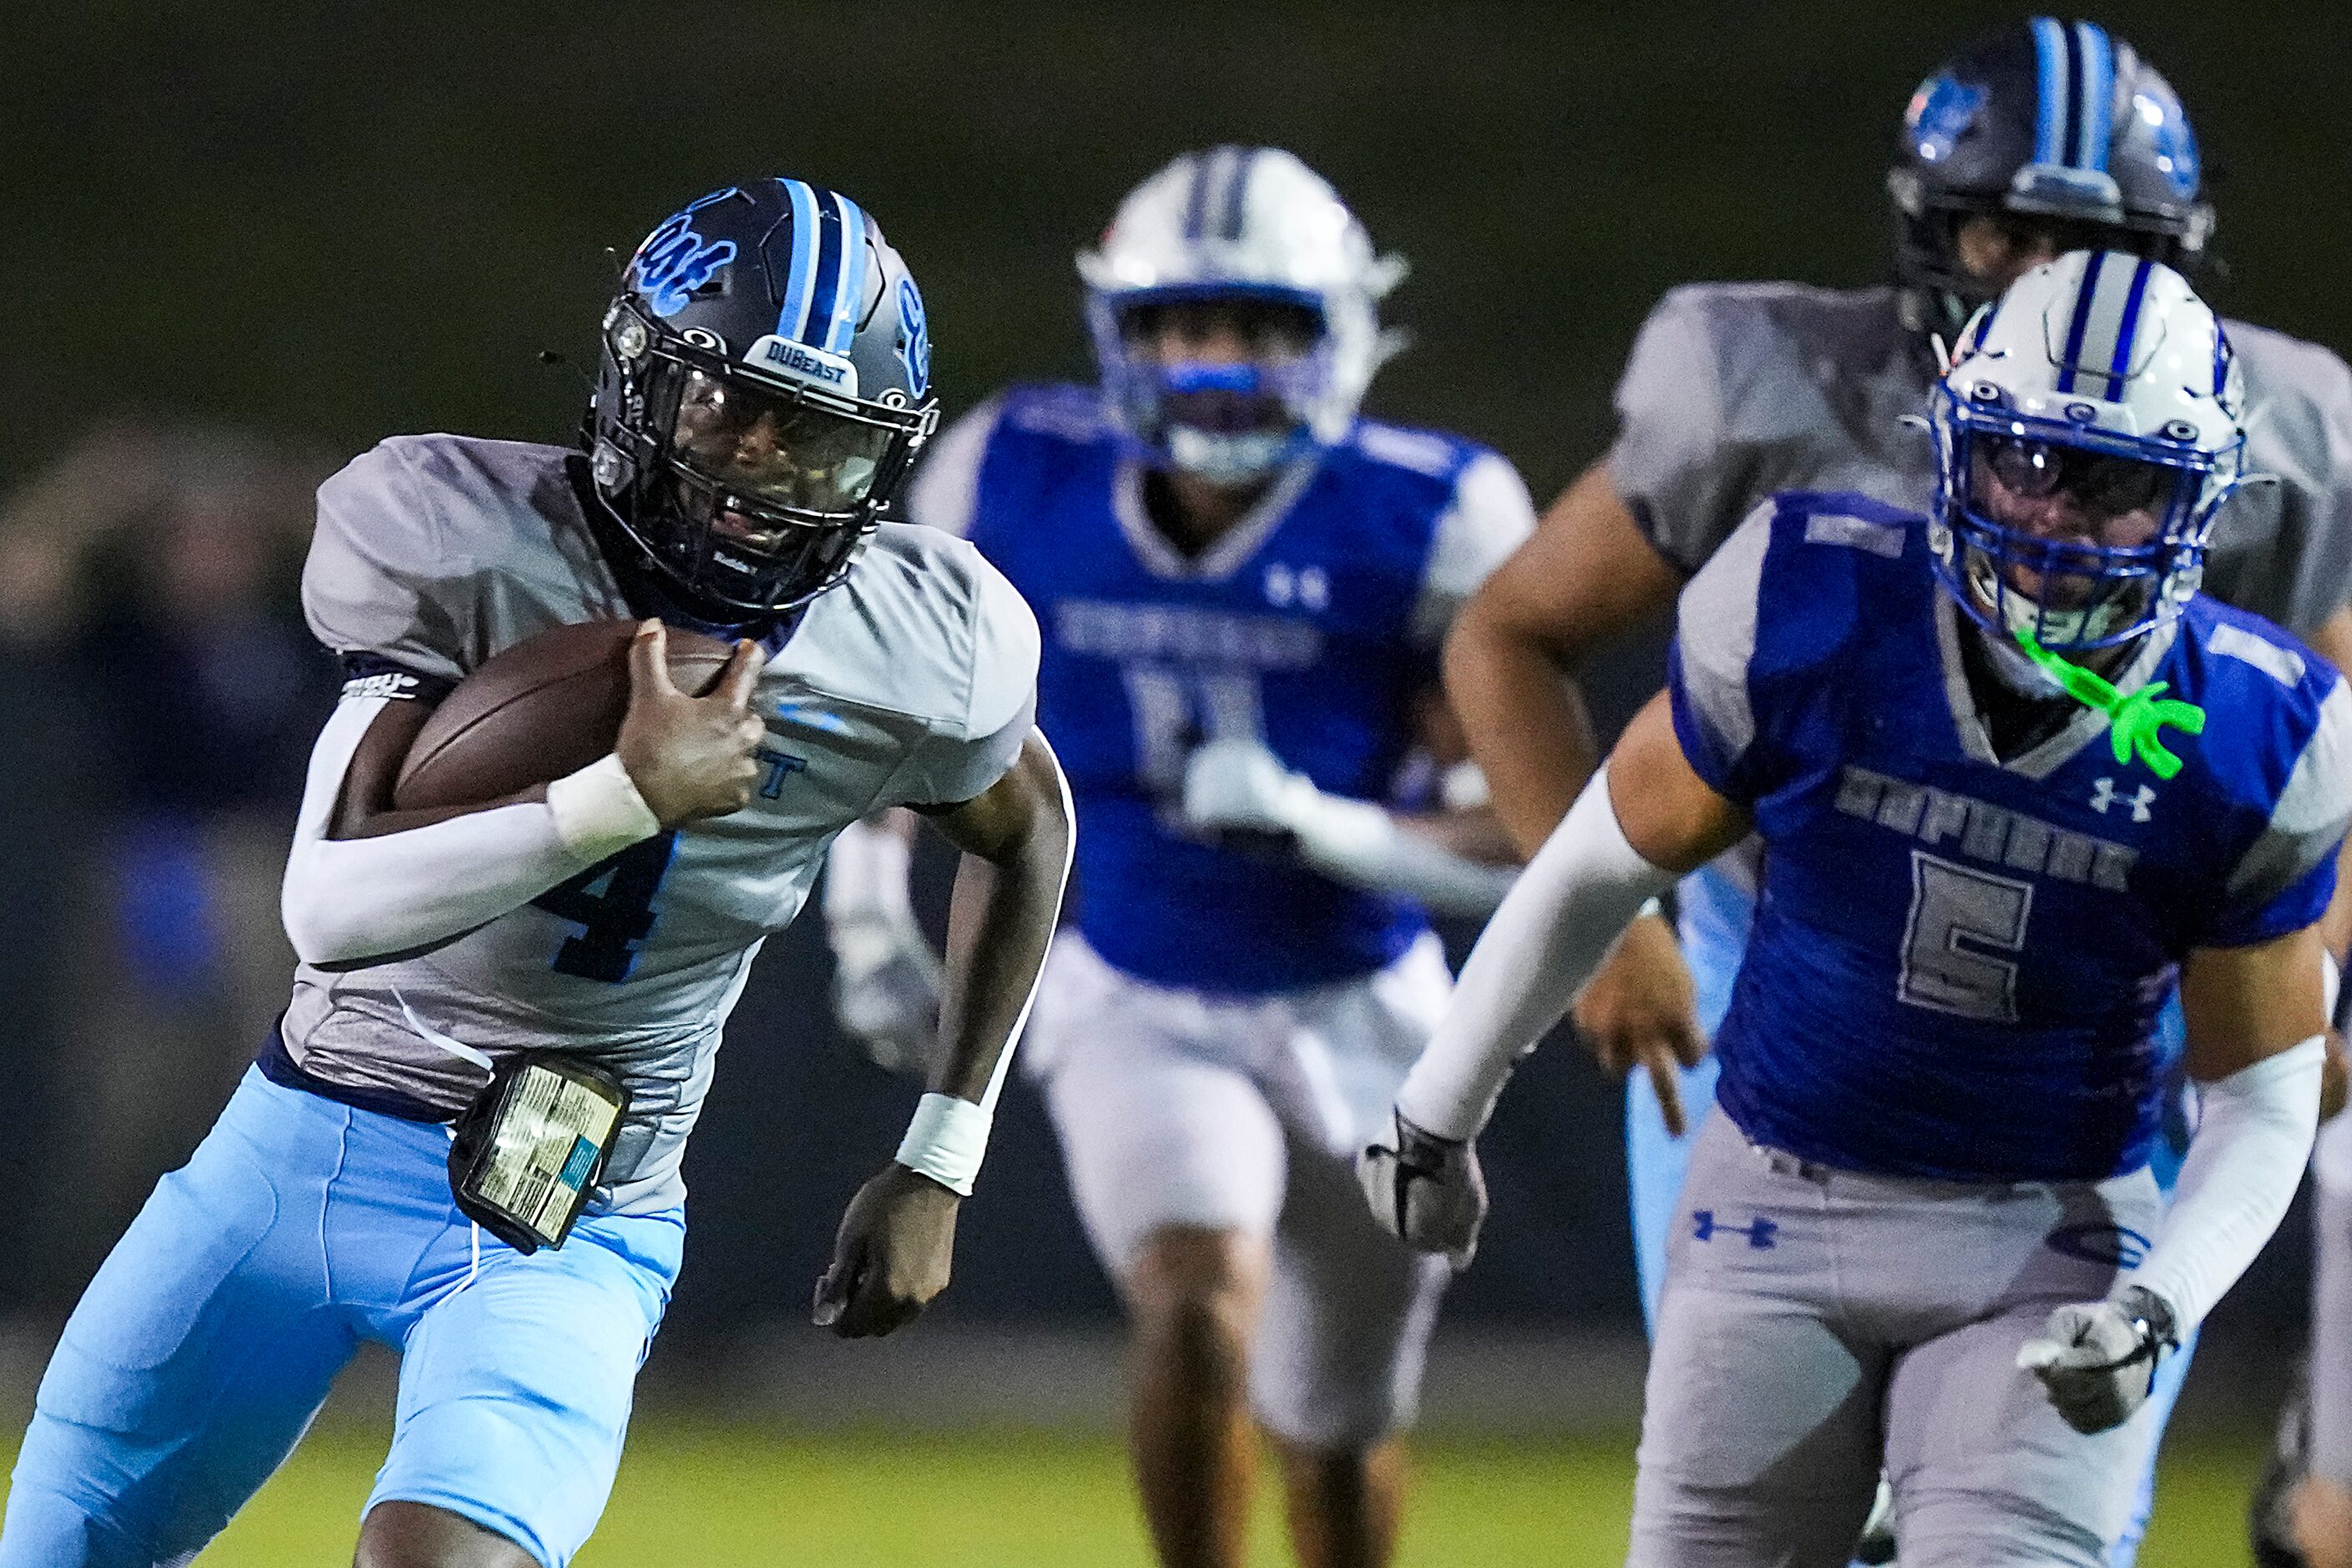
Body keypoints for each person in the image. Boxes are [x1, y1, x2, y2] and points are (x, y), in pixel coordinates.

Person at [0, 177, 1071, 1568]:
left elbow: (1029, 827)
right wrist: (620, 794)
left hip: (573, 1203)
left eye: (815, 442)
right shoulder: (469, 533)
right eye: (728, 407)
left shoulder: (920, 639)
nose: (758, 470)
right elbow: (326, 905)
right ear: (641, 382)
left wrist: (940, 1154)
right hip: (300, 1141)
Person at [1439, 18, 2352, 1560]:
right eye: (2008, 228)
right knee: (1774, 1477)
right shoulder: (1769, 384)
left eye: (2094, 241)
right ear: (1933, 229)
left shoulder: (2259, 428)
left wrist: (2314, 976)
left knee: (2028, 1486)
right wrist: (1609, 913)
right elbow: (1509, 629)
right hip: (1787, 966)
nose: (2041, 276)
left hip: (2085, 1008)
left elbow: (2326, 737)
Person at [823, 147, 1529, 1568]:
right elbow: (898, 710)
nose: (1214, 365)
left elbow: (1520, 838)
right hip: (1132, 980)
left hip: (1363, 1004)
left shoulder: (1431, 511)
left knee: (1334, 1428)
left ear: (1338, 334)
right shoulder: (1013, 471)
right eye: (1183, 325)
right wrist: (861, 905)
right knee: (1196, 1292)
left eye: (1258, 328)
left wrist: (1328, 827)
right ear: (1119, 335)